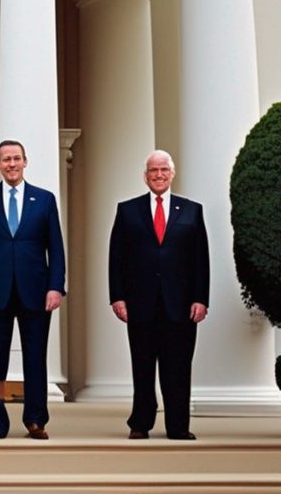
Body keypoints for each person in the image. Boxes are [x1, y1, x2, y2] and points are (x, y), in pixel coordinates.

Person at [108, 149, 209, 440]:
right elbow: (117, 257)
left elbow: (201, 259)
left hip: (181, 305)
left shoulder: (191, 210)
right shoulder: (127, 210)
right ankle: (140, 423)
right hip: (140, 303)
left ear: (172, 174)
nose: (159, 175)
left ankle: (178, 426)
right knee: (142, 366)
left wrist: (201, 298)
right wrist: (117, 296)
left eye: (164, 170)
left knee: (178, 367)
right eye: (153, 170)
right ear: (145, 176)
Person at [0, 140, 65, 440]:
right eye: (6, 159)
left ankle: (36, 419)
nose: (11, 164)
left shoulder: (45, 199)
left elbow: (56, 249)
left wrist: (56, 287)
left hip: (36, 291)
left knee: (35, 357)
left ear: (25, 162)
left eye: (16, 159)